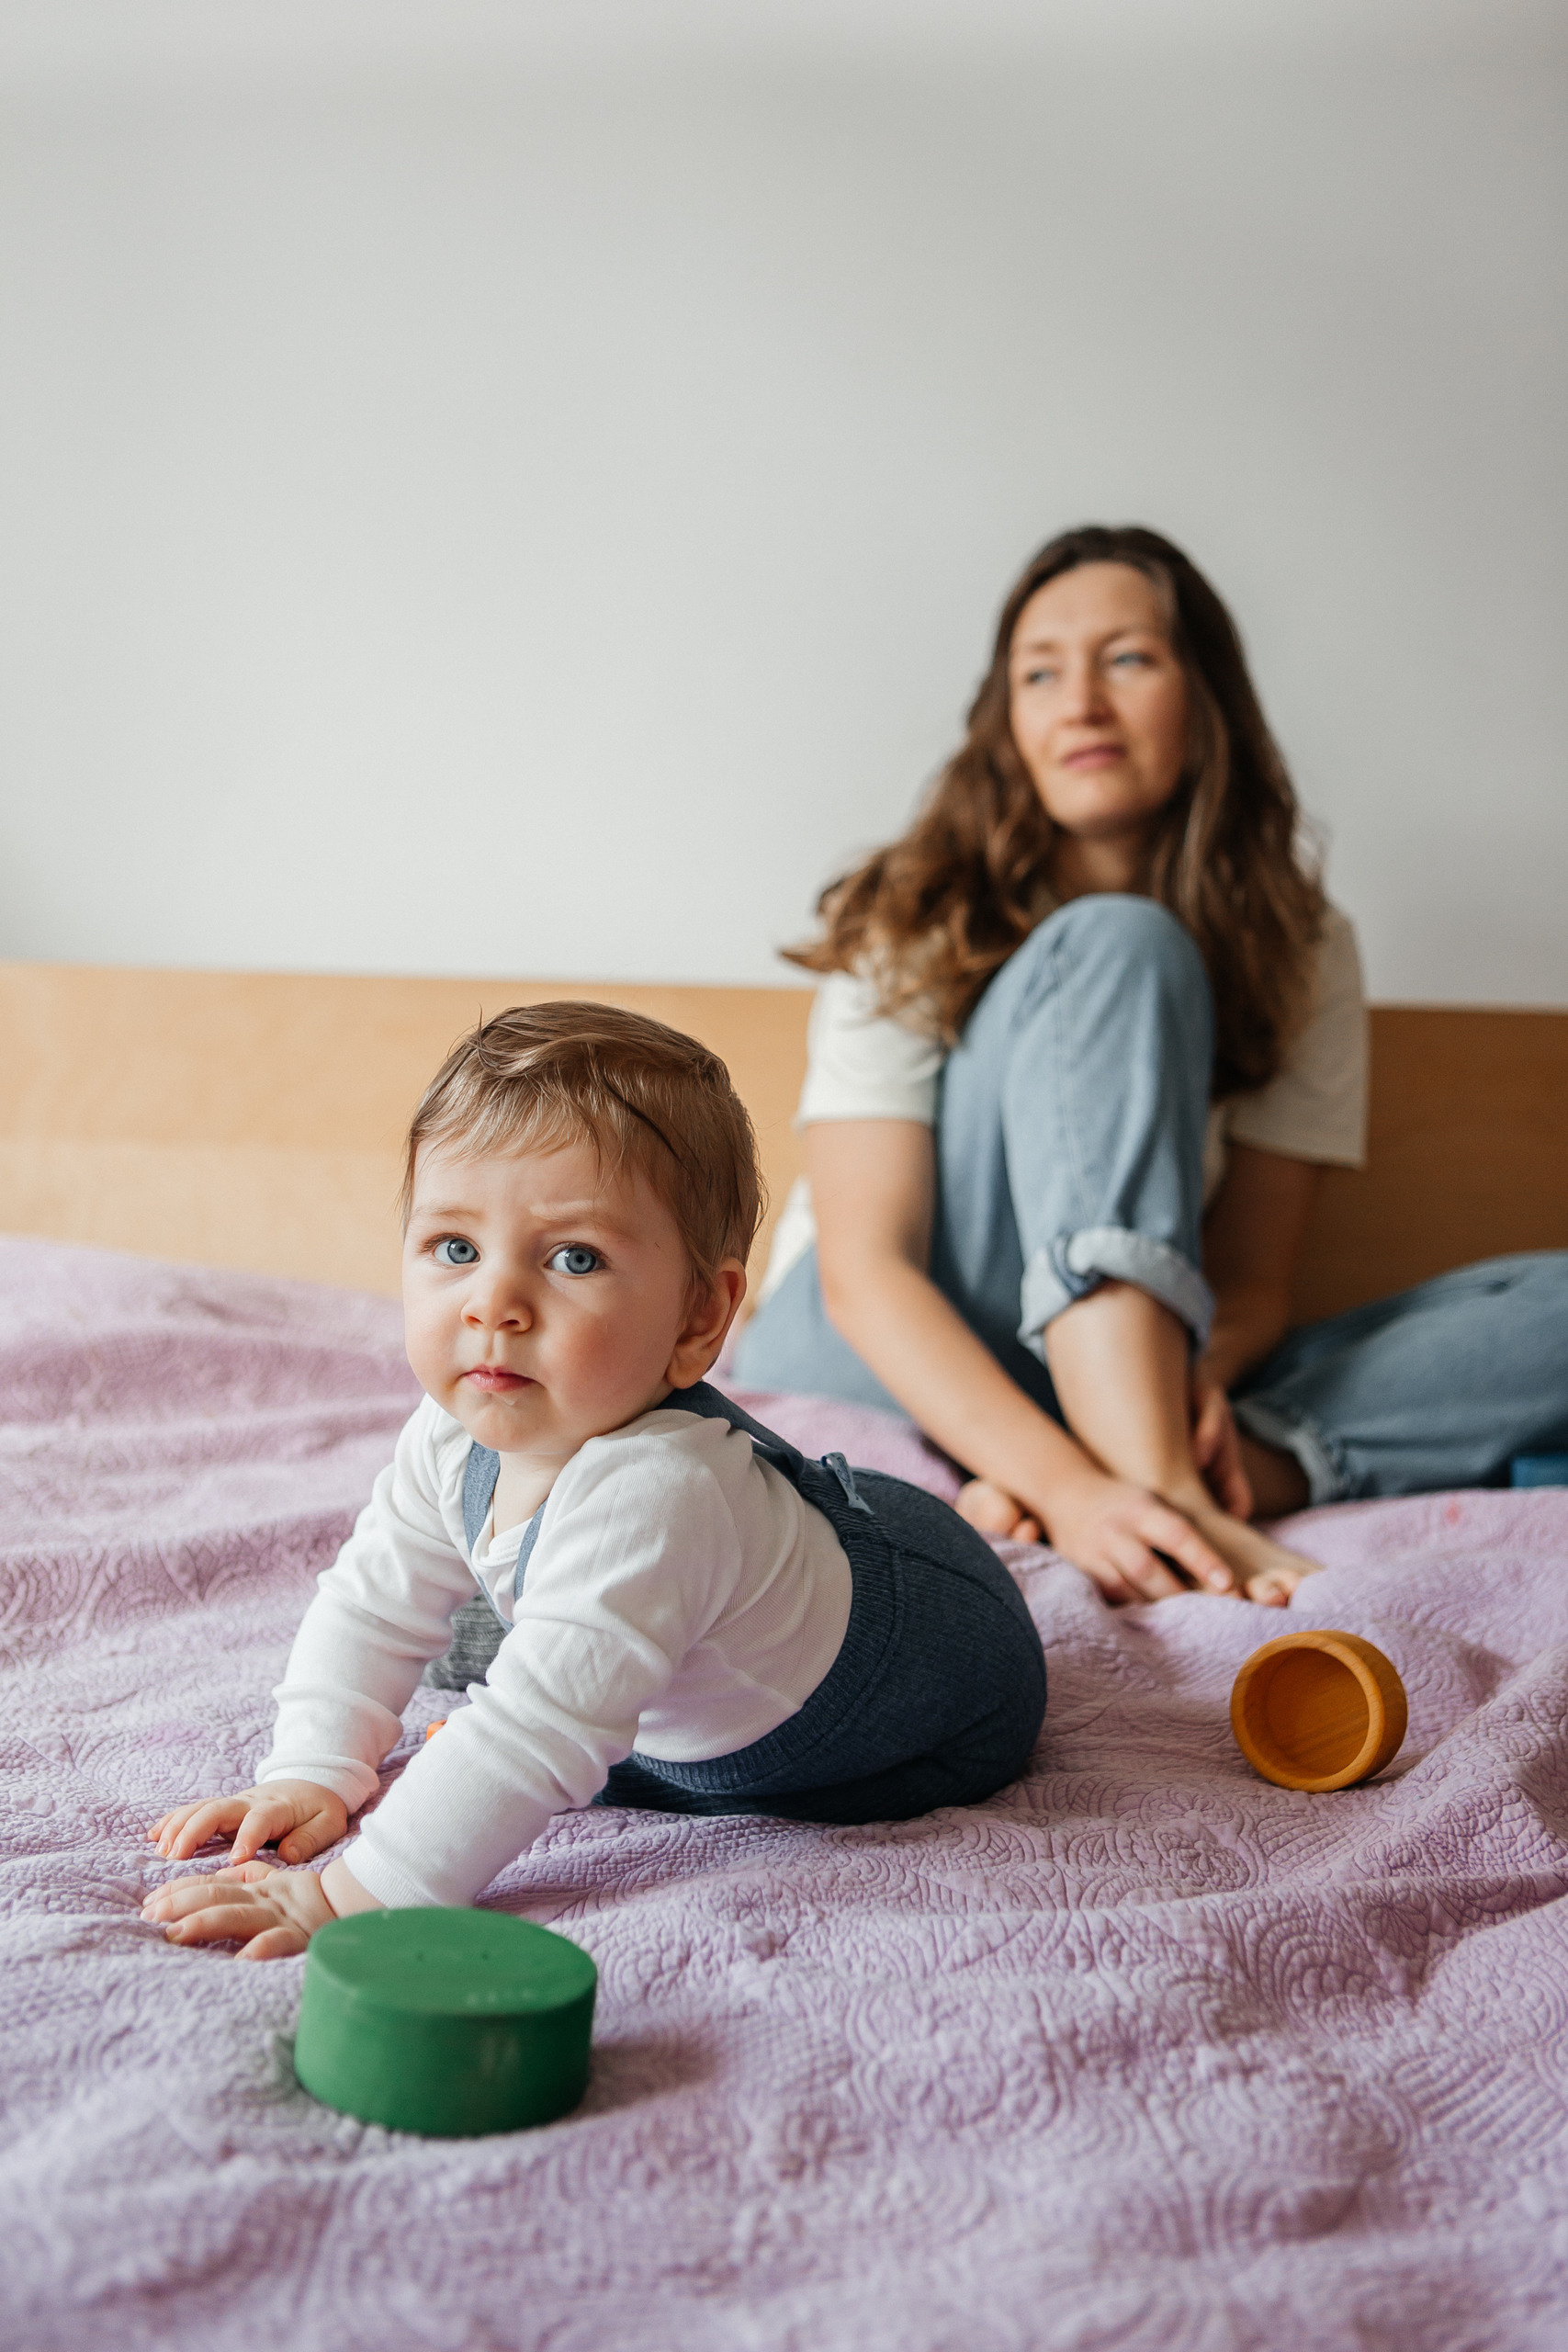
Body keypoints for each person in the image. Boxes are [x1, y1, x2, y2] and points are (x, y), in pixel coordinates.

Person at [735, 524, 1568, 1607]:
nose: (1079, 702)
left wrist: (1198, 1379)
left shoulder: (1303, 945)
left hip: (1130, 1364)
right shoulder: (912, 910)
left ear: (1204, 697)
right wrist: (1085, 1486)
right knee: (1122, 941)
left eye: (1127, 658)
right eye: (1040, 674)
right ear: (1008, 723)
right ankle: (1151, 1493)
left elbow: (1253, 1276)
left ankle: (1187, 1464)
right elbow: (867, 1272)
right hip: (872, 1353)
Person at [141, 1004, 1046, 1958]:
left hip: (932, 1664)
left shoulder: (661, 1492)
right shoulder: (450, 1431)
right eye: (455, 1248)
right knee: (462, 1637)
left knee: (558, 1711)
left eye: (574, 1258)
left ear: (701, 1316)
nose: (494, 1303)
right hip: (726, 1594)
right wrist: (313, 1771)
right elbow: (371, 1605)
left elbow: (527, 1737)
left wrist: (343, 1898)